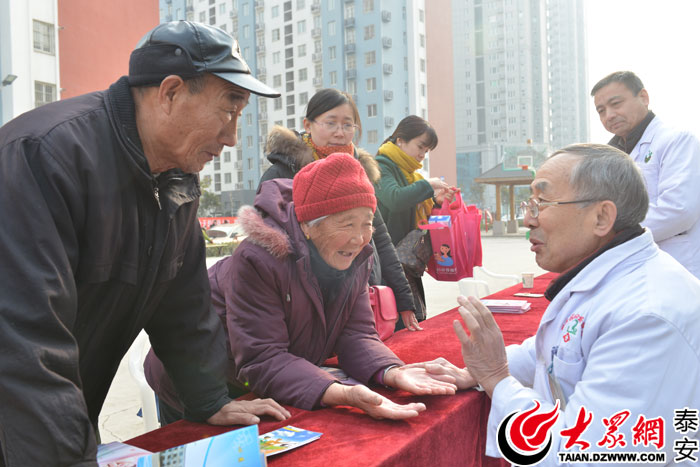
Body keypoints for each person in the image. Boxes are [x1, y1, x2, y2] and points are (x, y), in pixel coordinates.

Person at [0, 21, 291, 466]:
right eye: (227, 111)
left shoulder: (174, 178)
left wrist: (210, 398)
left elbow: (183, 305)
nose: (232, 137)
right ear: (170, 92)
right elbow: (22, 342)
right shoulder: (44, 156)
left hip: (56, 419)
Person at [417, 144, 700, 465]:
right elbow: (556, 350)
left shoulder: (647, 316)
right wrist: (478, 372)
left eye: (542, 203)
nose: (527, 219)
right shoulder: (608, 275)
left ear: (601, 217)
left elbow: (583, 456)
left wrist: (498, 379)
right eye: (530, 203)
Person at [146, 154, 459, 420]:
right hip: (198, 381)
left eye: (367, 223)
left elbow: (357, 335)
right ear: (309, 225)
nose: (360, 238)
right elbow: (264, 356)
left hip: (262, 381)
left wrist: (391, 372)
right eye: (347, 223)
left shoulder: (355, 257)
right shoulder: (258, 259)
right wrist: (340, 393)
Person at [259, 88, 421, 331]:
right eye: (330, 123)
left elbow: (381, 239)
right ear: (308, 124)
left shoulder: (359, 175)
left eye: (348, 125)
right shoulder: (282, 173)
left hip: (363, 296)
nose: (340, 132)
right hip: (309, 306)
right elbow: (270, 245)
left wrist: (404, 300)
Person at [592, 71, 700, 278]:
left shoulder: (677, 141)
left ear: (643, 97)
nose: (609, 115)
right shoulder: (608, 155)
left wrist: (611, 233)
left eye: (616, 104)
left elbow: (679, 210)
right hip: (631, 266)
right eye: (601, 110)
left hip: (676, 264)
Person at [374, 115, 456, 329]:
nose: (422, 155)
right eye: (420, 147)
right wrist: (428, 186)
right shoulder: (381, 166)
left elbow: (415, 215)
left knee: (412, 323)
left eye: (426, 151)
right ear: (400, 140)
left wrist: (435, 202)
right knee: (396, 325)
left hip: (407, 263)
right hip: (388, 263)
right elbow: (395, 198)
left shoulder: (410, 173)